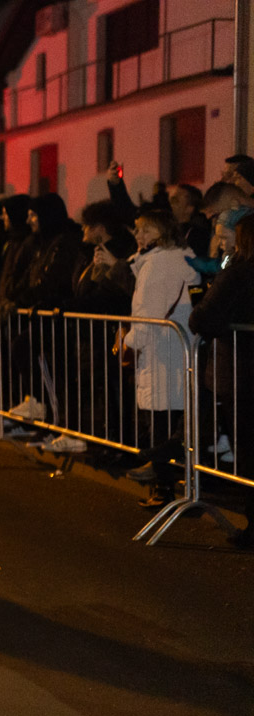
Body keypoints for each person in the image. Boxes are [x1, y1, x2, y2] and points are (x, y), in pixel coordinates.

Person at [123, 210, 199, 508]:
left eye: (146, 230)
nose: (139, 236)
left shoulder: (156, 264)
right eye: (138, 230)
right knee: (175, 423)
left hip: (161, 354)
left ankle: (162, 490)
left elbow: (147, 314)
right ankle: (182, 489)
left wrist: (130, 343)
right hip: (177, 350)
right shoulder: (181, 259)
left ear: (163, 232)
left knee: (160, 425)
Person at [189, 214, 254, 545]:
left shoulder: (238, 272)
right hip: (241, 371)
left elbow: (203, 317)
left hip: (242, 373)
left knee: (248, 450)